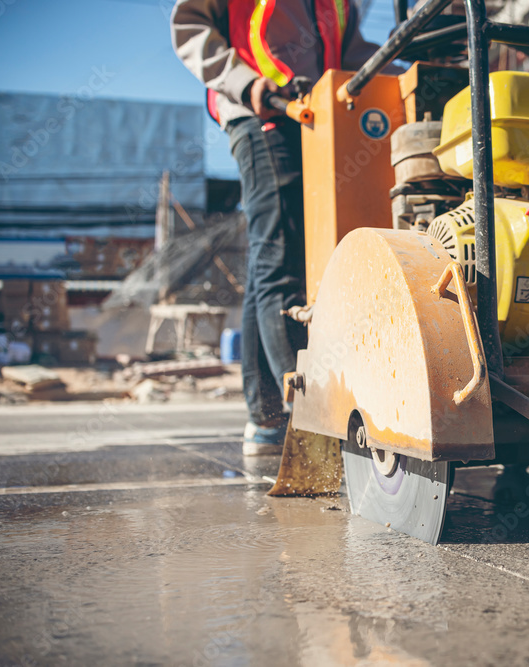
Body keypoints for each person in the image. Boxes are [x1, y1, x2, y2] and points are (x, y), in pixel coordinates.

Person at [171, 0, 386, 455]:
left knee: (268, 261)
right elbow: (190, 25)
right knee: (283, 256)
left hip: (313, 116)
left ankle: (265, 418)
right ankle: (313, 417)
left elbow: (352, 54)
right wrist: (245, 83)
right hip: (261, 114)